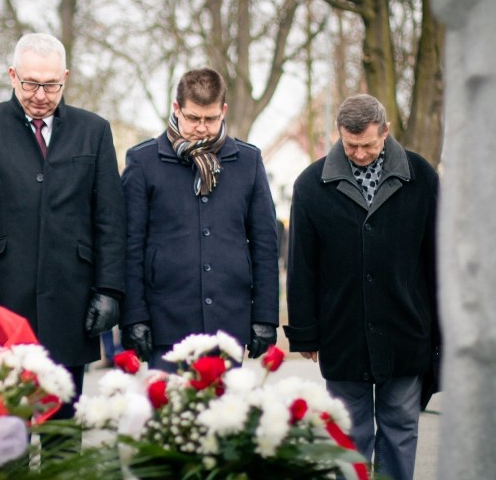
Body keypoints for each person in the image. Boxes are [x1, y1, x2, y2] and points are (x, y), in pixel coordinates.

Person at [0, 33, 126, 418]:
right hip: (1, 296)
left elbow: (110, 218)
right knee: (6, 429)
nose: (41, 95)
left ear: (65, 77)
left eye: (51, 85)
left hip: (72, 299)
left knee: (62, 433)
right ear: (13, 76)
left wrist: (109, 289)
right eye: (30, 83)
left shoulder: (93, 131)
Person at [284, 94, 439, 480]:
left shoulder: (422, 177)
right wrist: (305, 333)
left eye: (368, 144)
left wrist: (442, 329)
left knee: (400, 429)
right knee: (349, 433)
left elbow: (438, 258)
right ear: (339, 135)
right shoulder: (310, 184)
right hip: (342, 332)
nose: (360, 153)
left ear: (385, 132)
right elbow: (301, 264)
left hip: (406, 330)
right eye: (350, 145)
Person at [120, 68, 279, 369]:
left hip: (228, 321)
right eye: (193, 118)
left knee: (227, 416)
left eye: (211, 118)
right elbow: (130, 244)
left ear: (224, 111)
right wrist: (134, 316)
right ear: (176, 108)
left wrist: (265, 316)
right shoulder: (143, 162)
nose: (202, 129)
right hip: (165, 322)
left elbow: (264, 244)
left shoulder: (248, 161)